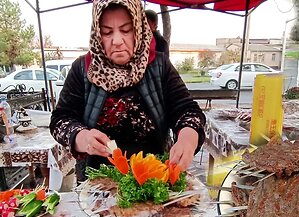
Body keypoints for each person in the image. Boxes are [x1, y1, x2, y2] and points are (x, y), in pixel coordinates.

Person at [50, 0, 205, 175]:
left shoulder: (159, 65)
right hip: (96, 181)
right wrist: (81, 136)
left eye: (126, 30)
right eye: (107, 32)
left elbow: (187, 110)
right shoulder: (83, 68)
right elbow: (60, 120)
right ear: (97, 34)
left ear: (139, 29)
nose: (116, 41)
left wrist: (188, 137)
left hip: (154, 173)